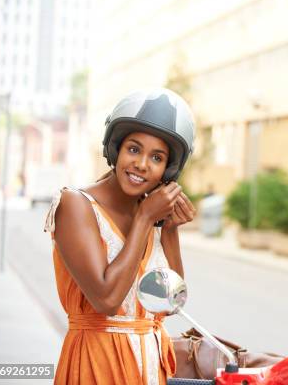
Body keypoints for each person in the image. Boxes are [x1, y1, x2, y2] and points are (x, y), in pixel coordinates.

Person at [44, 88, 197, 384]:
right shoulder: (75, 205)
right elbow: (106, 299)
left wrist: (169, 229)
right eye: (134, 149)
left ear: (169, 169)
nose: (142, 164)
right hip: (96, 365)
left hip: (150, 369)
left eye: (157, 157)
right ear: (115, 148)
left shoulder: (151, 214)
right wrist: (144, 219)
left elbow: (169, 304)